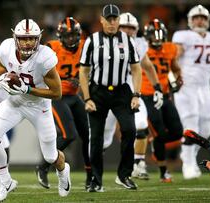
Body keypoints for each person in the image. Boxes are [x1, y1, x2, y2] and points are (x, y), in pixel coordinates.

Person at [0, 19, 71, 202]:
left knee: (50, 156)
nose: (27, 42)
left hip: (39, 107)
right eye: (23, 38)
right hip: (15, 102)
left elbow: (57, 93)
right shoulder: (6, 48)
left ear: (38, 39)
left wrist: (28, 89)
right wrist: (0, 81)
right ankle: (6, 181)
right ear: (15, 38)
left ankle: (63, 172)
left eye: (31, 38)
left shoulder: (45, 56)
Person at [79, 5, 142, 191]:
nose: (112, 22)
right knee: (96, 138)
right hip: (98, 91)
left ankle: (124, 175)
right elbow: (83, 71)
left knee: (130, 130)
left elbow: (136, 68)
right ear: (102, 20)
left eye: (115, 19)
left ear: (119, 20)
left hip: (122, 91)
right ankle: (96, 181)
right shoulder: (92, 40)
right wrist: (87, 98)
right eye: (109, 19)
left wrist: (136, 94)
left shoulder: (128, 40)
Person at [102, 12, 162, 181]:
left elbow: (148, 67)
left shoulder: (140, 44)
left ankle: (138, 163)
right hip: (107, 93)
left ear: (136, 30)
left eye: (131, 28)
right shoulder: (104, 43)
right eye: (124, 28)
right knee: (104, 136)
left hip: (131, 94)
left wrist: (157, 87)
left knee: (142, 124)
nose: (128, 31)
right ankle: (93, 166)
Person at [35, 17, 91, 190]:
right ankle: (43, 166)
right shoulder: (51, 47)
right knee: (69, 135)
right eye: (67, 36)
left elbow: (92, 69)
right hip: (56, 96)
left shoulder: (85, 46)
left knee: (87, 136)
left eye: (74, 35)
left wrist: (82, 78)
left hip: (74, 97)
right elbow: (37, 68)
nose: (71, 39)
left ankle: (91, 175)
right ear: (60, 36)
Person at [172, 5, 210, 179]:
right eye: (196, 17)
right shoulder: (183, 36)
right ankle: (188, 164)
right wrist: (173, 80)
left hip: (204, 88)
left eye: (203, 17)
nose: (199, 20)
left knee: (206, 129)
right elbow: (173, 58)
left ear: (208, 20)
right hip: (186, 86)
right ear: (189, 20)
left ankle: (188, 155)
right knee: (191, 125)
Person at [142, 19, 184, 183]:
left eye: (160, 34)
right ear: (147, 36)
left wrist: (179, 78)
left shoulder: (170, 48)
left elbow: (174, 66)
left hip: (165, 95)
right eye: (153, 35)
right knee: (159, 133)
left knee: (177, 131)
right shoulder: (142, 49)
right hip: (148, 95)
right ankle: (163, 171)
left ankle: (154, 142)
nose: (157, 38)